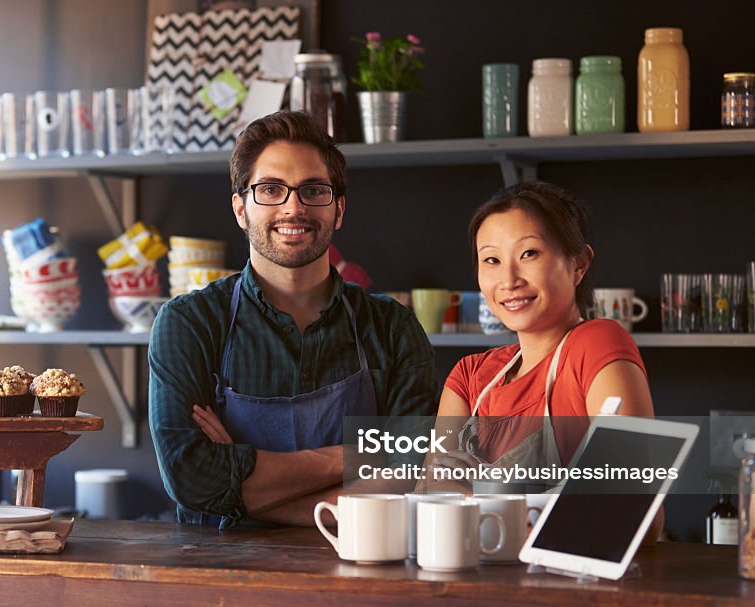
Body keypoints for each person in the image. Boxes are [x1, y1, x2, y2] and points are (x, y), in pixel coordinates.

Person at [148, 111, 438, 529]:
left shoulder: (392, 328)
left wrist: (236, 491)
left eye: (313, 190)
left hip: (362, 579)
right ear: (240, 210)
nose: (293, 207)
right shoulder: (189, 323)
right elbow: (191, 479)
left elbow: (409, 480)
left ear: (338, 210)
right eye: (270, 189)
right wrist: (361, 455)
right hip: (219, 581)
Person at [430, 181, 661, 538]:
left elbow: (634, 513)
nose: (508, 280)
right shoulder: (470, 376)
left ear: (578, 264)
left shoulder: (595, 346)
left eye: (529, 254)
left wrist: (482, 514)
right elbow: (432, 500)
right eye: (491, 260)